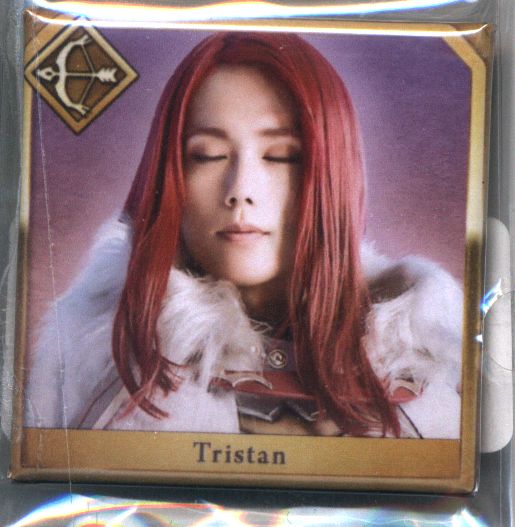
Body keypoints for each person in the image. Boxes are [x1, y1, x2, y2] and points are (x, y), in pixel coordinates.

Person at [25, 31, 463, 439]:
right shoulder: (89, 363)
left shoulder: (435, 373)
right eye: (208, 155)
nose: (240, 191)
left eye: (281, 156)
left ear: (335, 174)